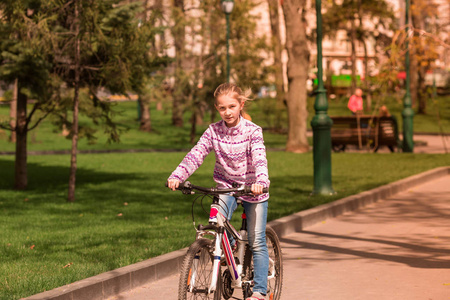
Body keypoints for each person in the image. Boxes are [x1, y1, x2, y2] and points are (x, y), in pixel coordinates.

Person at [167, 82, 270, 300]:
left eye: (232, 106)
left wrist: (261, 180)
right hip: (226, 185)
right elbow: (196, 154)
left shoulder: (253, 131)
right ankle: (229, 251)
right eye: (222, 108)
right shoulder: (214, 131)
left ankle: (260, 291)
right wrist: (178, 176)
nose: (228, 112)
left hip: (253, 188)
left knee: (256, 239)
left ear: (241, 105)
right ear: (217, 108)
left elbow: (260, 158)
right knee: (216, 222)